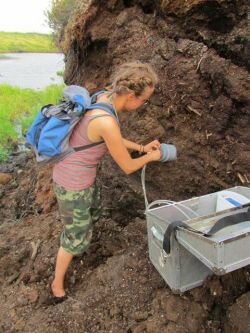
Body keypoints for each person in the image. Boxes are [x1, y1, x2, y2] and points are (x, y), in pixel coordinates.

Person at [51, 61, 161, 299]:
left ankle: (80, 241)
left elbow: (111, 139)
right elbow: (127, 165)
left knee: (94, 212)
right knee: (74, 237)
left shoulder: (104, 97)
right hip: (72, 184)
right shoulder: (105, 120)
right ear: (131, 95)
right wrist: (152, 156)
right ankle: (57, 286)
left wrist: (142, 147)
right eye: (144, 100)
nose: (144, 104)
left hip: (82, 177)